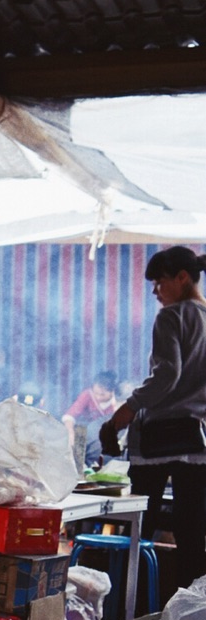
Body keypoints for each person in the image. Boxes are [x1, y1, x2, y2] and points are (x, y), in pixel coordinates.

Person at [101, 247, 206, 588]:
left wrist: (127, 409)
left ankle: (122, 611)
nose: (155, 292)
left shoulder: (171, 317)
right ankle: (189, 617)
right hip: (195, 441)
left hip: (158, 439)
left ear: (182, 278)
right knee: (191, 534)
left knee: (138, 529)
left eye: (160, 283)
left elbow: (166, 374)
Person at [64, 369, 120, 467]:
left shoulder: (118, 403)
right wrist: (70, 432)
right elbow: (70, 415)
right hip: (87, 436)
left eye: (102, 394)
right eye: (96, 393)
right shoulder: (87, 395)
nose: (98, 397)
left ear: (112, 392)